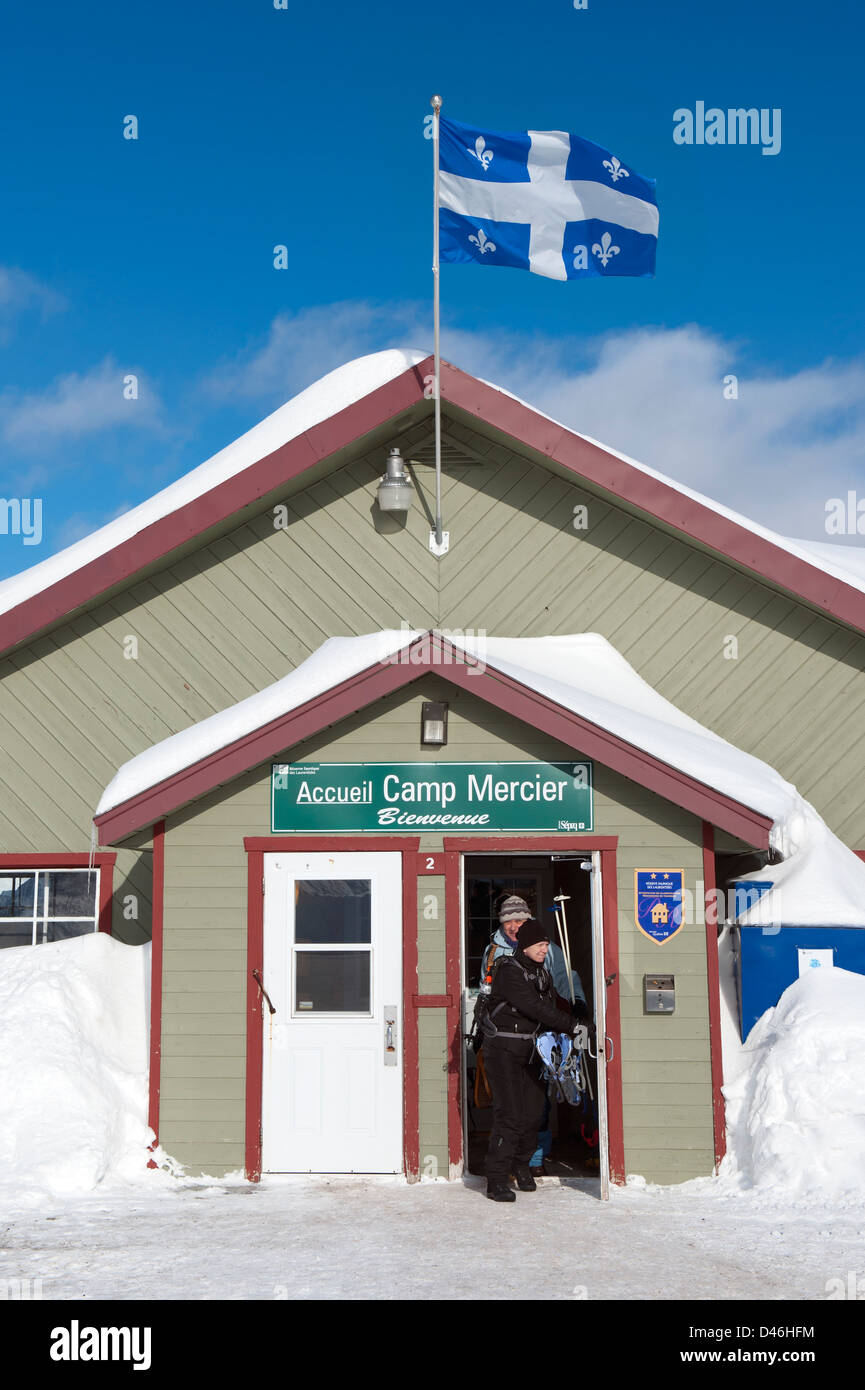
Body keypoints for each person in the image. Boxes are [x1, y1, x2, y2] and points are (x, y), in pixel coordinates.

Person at [480, 894, 590, 1175]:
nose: (514, 926)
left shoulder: (547, 948)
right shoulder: (494, 952)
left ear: (527, 921)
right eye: (508, 922)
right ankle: (506, 1167)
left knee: (536, 1106)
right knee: (510, 1108)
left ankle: (533, 1160)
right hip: (506, 1038)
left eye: (519, 921)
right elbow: (486, 991)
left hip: (540, 1037)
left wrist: (576, 1003)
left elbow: (566, 979)